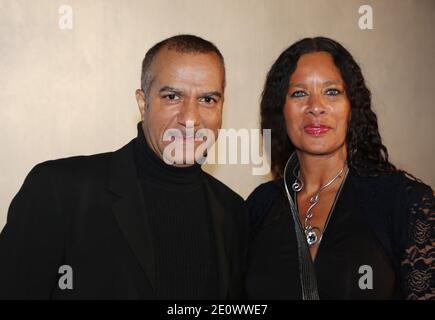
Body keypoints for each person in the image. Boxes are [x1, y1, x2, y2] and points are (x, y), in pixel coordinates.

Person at [0, 34, 248, 299]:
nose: (190, 118)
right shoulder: (59, 190)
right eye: (173, 96)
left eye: (208, 99)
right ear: (143, 103)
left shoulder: (234, 211)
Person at [245, 37, 434, 300]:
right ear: (281, 110)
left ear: (352, 107)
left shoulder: (405, 202)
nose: (315, 107)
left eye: (331, 91)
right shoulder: (260, 206)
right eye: (299, 93)